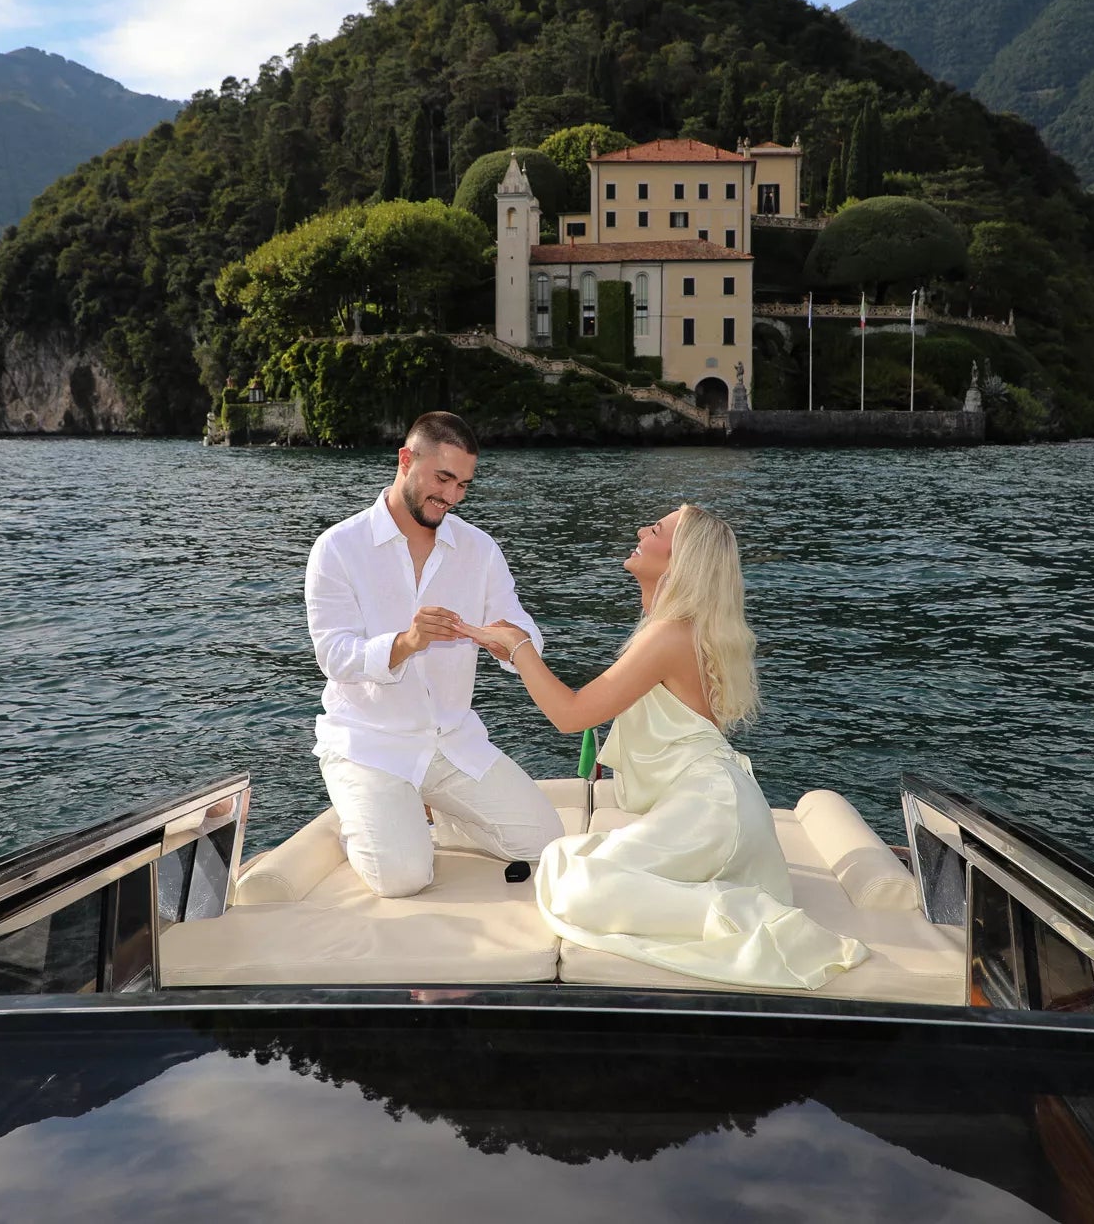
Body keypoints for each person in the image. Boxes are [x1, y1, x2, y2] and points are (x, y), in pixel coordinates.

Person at [456, 504, 868, 990]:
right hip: (713, 806)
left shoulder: (671, 635)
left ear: (680, 561)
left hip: (712, 811)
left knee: (574, 886)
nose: (638, 530)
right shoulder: (671, 627)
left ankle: (748, 919)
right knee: (566, 858)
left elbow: (571, 715)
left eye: (653, 530)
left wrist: (520, 648)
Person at [304, 411, 564, 897]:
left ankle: (434, 809)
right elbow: (334, 656)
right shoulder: (337, 548)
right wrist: (406, 642)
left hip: (451, 741)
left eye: (464, 484)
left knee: (545, 842)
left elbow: (524, 628)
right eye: (443, 478)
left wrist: (506, 636)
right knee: (403, 879)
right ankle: (363, 818)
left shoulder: (479, 549)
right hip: (370, 743)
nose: (452, 497)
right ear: (406, 460)